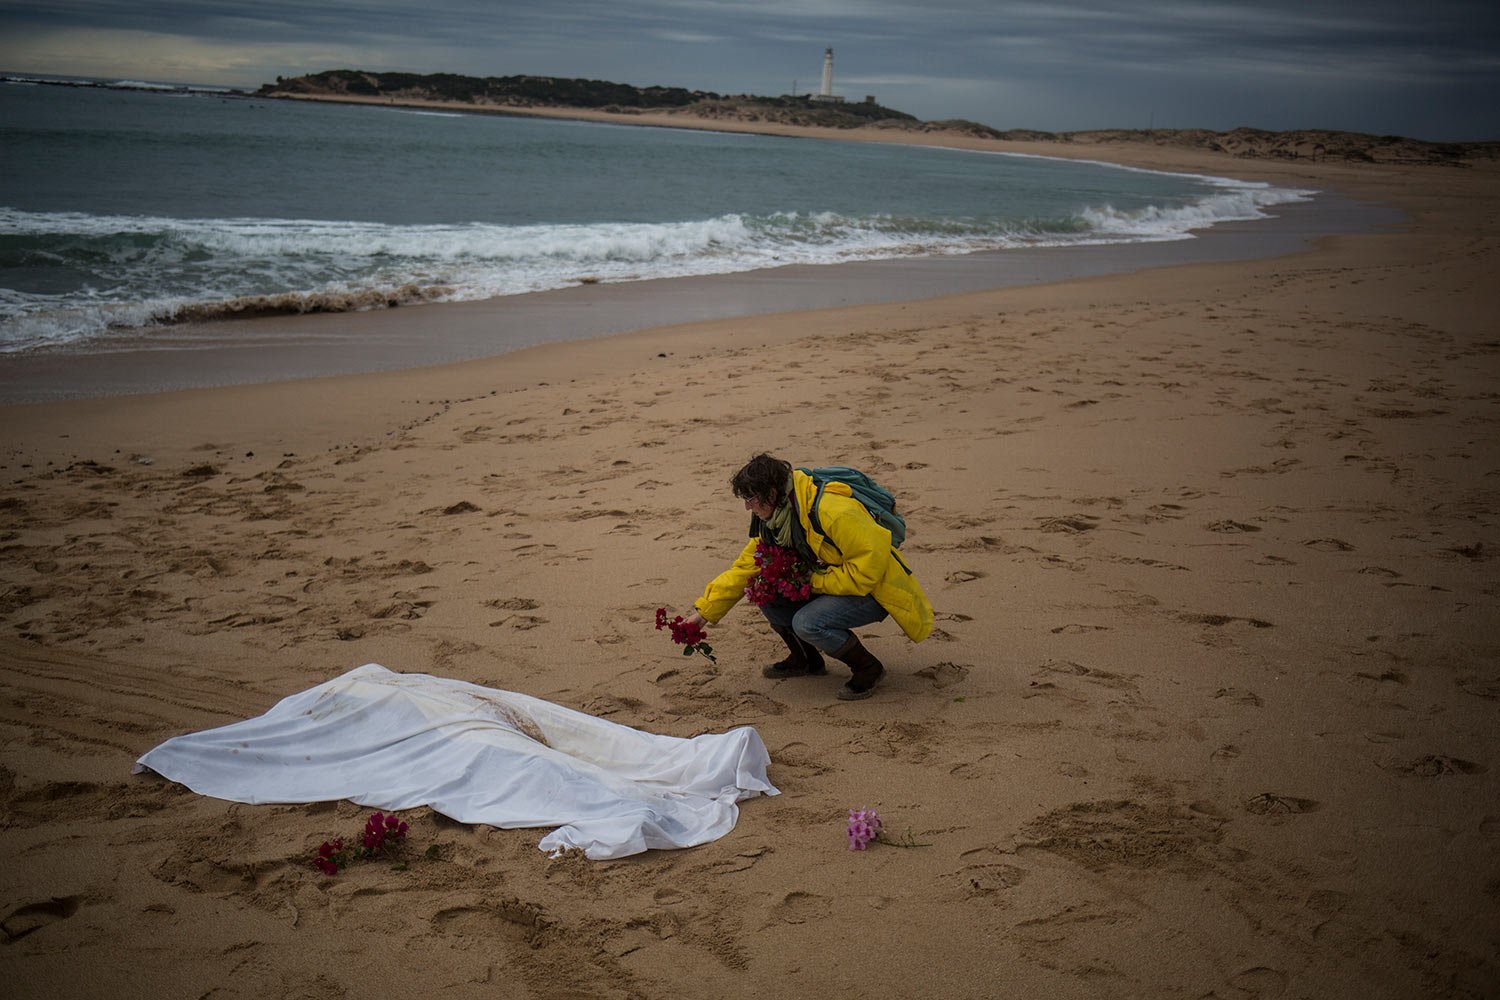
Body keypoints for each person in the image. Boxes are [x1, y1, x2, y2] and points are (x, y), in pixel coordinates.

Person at [679, 453, 934, 700]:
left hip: (875, 591)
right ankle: (806, 660)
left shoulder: (833, 511)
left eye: (750, 498)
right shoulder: (775, 520)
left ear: (771, 493)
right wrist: (703, 614)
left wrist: (810, 581)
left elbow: (867, 572)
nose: (747, 506)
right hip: (832, 580)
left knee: (807, 622)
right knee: (766, 591)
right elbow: (745, 568)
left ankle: (868, 668)